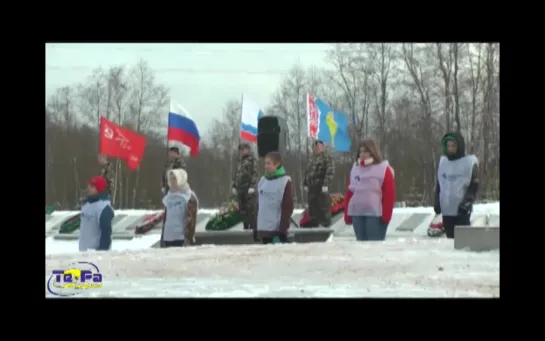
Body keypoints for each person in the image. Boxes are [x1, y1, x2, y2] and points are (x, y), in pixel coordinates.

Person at [344, 140, 396, 241]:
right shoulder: (355, 169)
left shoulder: (383, 168)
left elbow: (389, 194)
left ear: (373, 151)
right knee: (361, 247)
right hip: (357, 214)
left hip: (374, 215)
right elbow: (350, 192)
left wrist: (386, 215)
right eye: (361, 151)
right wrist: (347, 214)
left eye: (366, 151)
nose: (362, 154)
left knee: (373, 248)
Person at [434, 132, 479, 239]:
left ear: (459, 146)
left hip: (461, 211)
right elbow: (440, 185)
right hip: (446, 211)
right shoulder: (443, 163)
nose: (450, 148)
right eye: (448, 146)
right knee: (451, 242)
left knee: (463, 241)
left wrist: (466, 204)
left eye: (453, 146)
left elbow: (474, 185)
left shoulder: (469, 162)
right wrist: (437, 202)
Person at [255, 152, 294, 244]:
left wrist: (283, 229)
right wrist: (255, 227)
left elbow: (287, 207)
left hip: (276, 231)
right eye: (265, 163)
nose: (266, 166)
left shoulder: (284, 182)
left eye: (269, 163)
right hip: (263, 229)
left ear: (276, 164)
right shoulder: (263, 180)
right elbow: (258, 205)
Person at [160, 169, 199, 247]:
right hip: (168, 237)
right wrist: (162, 238)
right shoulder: (169, 197)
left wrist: (188, 239)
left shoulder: (189, 196)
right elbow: (166, 219)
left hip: (181, 238)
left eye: (175, 178)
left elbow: (191, 220)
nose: (172, 181)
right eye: (170, 179)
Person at [303, 140, 335, 227]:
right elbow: (307, 172)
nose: (317, 148)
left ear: (323, 147)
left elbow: (330, 171)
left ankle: (325, 226)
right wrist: (305, 183)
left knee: (323, 208)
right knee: (313, 208)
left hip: (321, 186)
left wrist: (326, 184)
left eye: (319, 146)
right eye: (315, 147)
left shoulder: (326, 158)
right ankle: (314, 226)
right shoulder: (312, 159)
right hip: (311, 187)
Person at [79, 176, 114, 252]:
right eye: (89, 185)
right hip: (83, 253)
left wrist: (100, 253)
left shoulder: (104, 207)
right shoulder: (86, 205)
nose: (88, 188)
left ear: (99, 189)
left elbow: (106, 233)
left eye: (92, 186)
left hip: (96, 256)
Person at [231, 142, 258, 231]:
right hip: (240, 189)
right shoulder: (240, 161)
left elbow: (255, 173)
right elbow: (236, 174)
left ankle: (252, 229)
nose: (242, 151)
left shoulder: (252, 160)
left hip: (248, 189)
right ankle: (245, 227)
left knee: (250, 210)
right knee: (242, 210)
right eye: (240, 150)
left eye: (243, 149)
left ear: (248, 149)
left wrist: (252, 186)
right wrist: (234, 186)